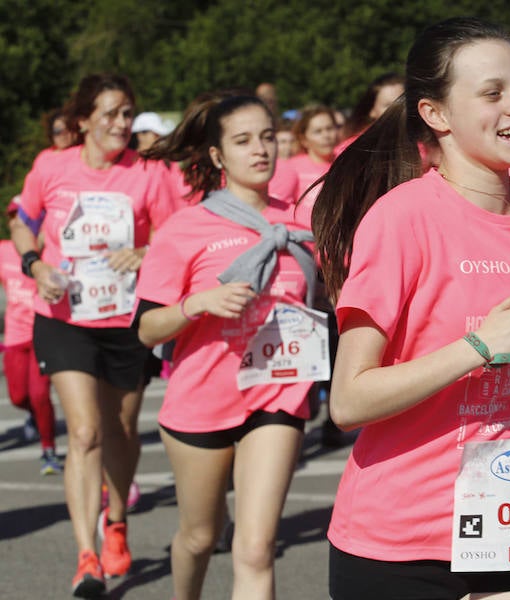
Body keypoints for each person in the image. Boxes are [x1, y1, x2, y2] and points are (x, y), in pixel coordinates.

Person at [311, 17, 510, 599]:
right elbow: (350, 399)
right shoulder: (402, 217)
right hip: (404, 536)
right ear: (436, 114)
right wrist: (478, 346)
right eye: (492, 93)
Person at [137, 91, 320, 600]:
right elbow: (148, 329)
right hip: (202, 401)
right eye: (242, 141)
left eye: (266, 137)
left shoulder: (303, 222)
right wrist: (199, 304)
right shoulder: (185, 228)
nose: (260, 150)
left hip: (279, 394)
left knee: (257, 548)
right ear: (217, 156)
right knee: (199, 537)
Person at [12, 73, 179, 598]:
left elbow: (177, 236)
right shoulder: (51, 166)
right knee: (83, 432)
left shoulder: (149, 171)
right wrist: (35, 263)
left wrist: (147, 252)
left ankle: (117, 517)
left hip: (126, 321)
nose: (121, 124)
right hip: (62, 315)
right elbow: (21, 218)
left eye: (128, 113)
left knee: (122, 429)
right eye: (110, 113)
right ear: (83, 119)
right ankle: (86, 556)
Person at [0, 197, 61, 474]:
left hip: (42, 333)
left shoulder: (50, 252)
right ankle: (36, 420)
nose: (18, 222)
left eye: (24, 217)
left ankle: (48, 450)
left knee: (39, 395)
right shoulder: (2, 251)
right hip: (14, 335)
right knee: (17, 397)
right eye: (14, 217)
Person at [334, 72, 404, 154]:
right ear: (372, 110)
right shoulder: (352, 150)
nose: (396, 109)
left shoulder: (420, 139)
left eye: (401, 102)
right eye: (387, 105)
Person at [288, 104, 338, 205]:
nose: (326, 135)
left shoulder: (346, 162)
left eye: (329, 128)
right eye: (318, 131)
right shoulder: (292, 168)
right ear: (304, 139)